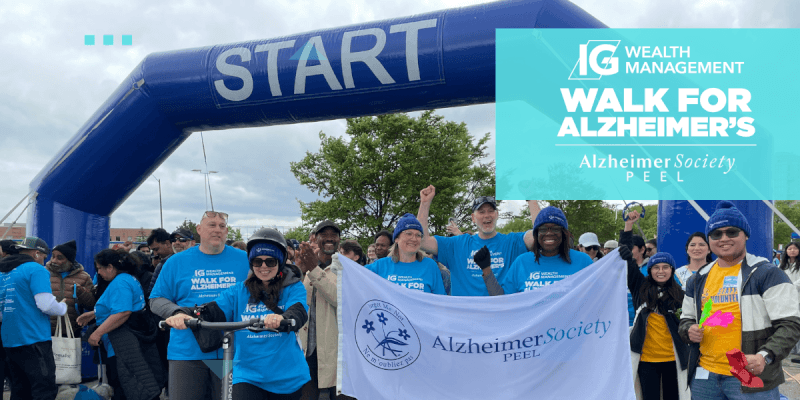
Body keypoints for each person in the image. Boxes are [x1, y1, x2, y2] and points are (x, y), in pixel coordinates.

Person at [165, 228, 309, 399]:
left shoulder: (293, 287)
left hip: (286, 374)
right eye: (257, 261)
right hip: (248, 375)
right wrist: (182, 313)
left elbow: (298, 311)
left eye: (270, 261)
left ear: (281, 261)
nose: (263, 267)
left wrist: (283, 318)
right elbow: (211, 310)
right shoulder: (239, 291)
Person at [679, 201, 800, 398]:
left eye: (732, 232)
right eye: (716, 234)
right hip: (705, 376)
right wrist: (688, 329)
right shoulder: (698, 278)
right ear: (709, 239)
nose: (724, 238)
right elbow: (686, 318)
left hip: (750, 375)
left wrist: (765, 356)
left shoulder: (767, 273)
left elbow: (791, 324)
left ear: (746, 235)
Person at [149, 211, 250, 400]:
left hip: (233, 351)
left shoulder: (245, 260)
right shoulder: (176, 262)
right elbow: (156, 299)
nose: (217, 230)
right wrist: (176, 313)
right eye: (212, 225)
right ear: (199, 229)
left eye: (222, 226)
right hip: (188, 351)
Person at [416, 185, 540, 296]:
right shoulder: (457, 245)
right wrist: (425, 204)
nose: (487, 215)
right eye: (481, 212)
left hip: (500, 312)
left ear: (497, 214)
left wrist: (532, 199)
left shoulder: (511, 242)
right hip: (465, 313)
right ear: (473, 218)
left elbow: (539, 235)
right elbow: (422, 241)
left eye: (491, 211)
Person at [621, 211, 689, 400]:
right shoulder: (639, 286)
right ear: (649, 270)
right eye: (656, 267)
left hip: (673, 359)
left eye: (665, 267)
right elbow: (626, 258)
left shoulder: (680, 294)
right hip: (645, 359)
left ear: (672, 270)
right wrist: (628, 226)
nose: (661, 271)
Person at [85, 249, 162, 400]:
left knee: (124, 385)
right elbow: (123, 305)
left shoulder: (120, 282)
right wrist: (94, 313)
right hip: (128, 339)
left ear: (110, 267)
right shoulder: (128, 278)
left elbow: (123, 312)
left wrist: (97, 333)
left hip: (121, 343)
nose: (98, 272)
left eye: (99, 268)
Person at [0, 237, 66, 400]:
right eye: (45, 256)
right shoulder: (36, 269)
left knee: (20, 390)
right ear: (37, 253)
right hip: (34, 339)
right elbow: (46, 304)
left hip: (9, 340)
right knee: (44, 389)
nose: (45, 260)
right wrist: (62, 307)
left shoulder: (4, 272)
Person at [478, 206, 592, 295]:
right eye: (543, 229)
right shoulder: (522, 262)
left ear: (564, 233)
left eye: (555, 228)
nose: (549, 233)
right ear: (536, 234)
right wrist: (486, 270)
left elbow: (598, 296)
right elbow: (502, 301)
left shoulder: (583, 262)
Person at [296, 220, 347, 400]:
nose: (329, 239)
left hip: (334, 352)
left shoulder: (345, 267)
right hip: (307, 348)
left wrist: (313, 269)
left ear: (339, 239)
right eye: (323, 235)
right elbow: (298, 302)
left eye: (334, 235)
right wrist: (300, 271)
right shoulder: (308, 265)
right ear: (315, 239)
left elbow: (339, 299)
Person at [367, 214, 446, 295]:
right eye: (409, 234)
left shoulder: (430, 265)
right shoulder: (380, 265)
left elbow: (440, 299)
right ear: (396, 238)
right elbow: (358, 278)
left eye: (418, 235)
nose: (414, 239)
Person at [45, 240, 96, 336]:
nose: (54, 261)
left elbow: (91, 305)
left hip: (71, 331)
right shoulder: (43, 273)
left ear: (69, 260)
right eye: (53, 256)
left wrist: (82, 293)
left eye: (59, 258)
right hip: (44, 330)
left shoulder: (84, 277)